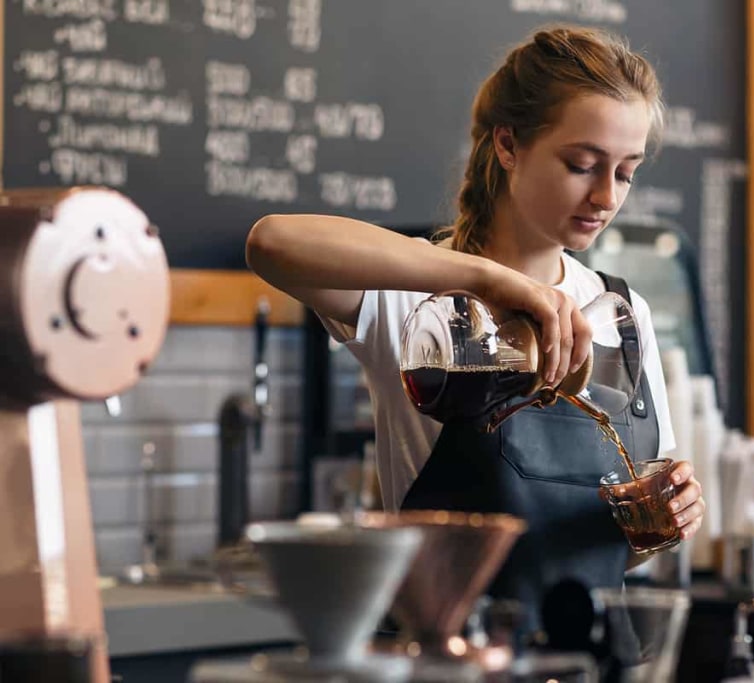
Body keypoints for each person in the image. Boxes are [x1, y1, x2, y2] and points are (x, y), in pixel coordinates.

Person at [247, 25, 706, 631]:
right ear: (509, 145)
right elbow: (272, 243)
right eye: (582, 164)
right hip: (454, 655)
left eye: (625, 172)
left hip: (592, 658)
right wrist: (487, 281)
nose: (605, 196)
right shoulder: (419, 303)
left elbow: (637, 512)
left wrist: (674, 510)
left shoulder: (622, 311)